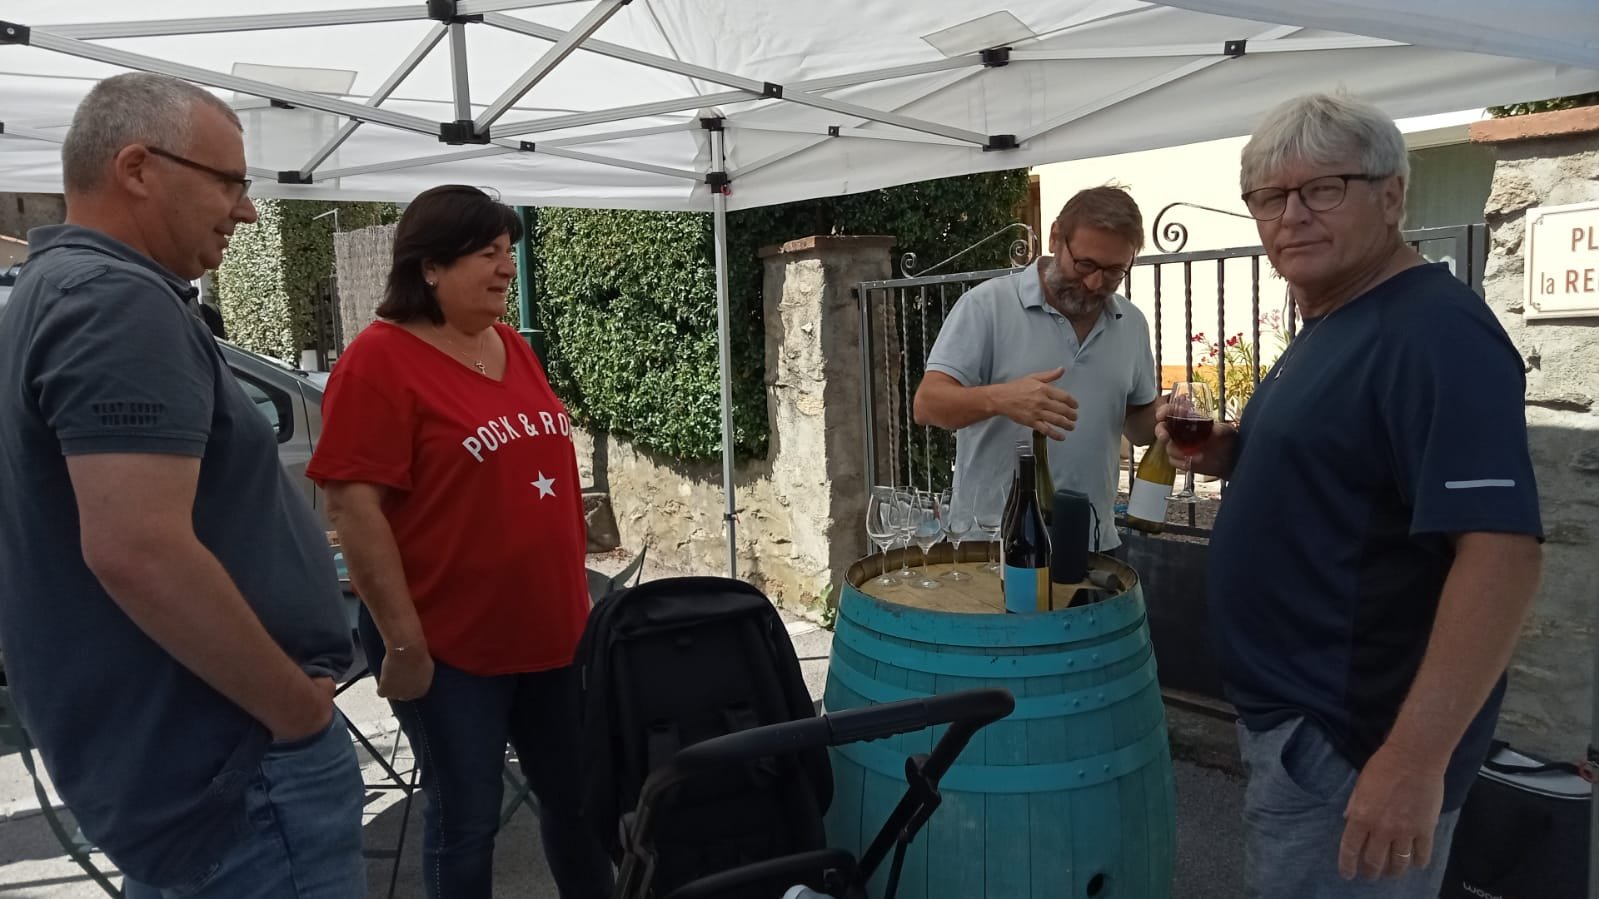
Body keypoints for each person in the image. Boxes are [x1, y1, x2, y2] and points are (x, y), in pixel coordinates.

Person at [1161, 93, 1543, 897]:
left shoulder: (1435, 332)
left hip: (1353, 744)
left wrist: (1412, 759)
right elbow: (1346, 476)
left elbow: (1500, 553)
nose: (1290, 216)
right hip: (1302, 733)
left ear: (1391, 195)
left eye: (1322, 188)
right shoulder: (1336, 319)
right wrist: (1229, 450)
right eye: (1269, 197)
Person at [0, 73, 363, 897]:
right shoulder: (114, 302)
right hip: (236, 771)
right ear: (137, 167)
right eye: (229, 181)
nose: (248, 210)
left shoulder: (61, 288)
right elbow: (139, 550)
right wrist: (296, 711)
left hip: (201, 769)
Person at [307, 185, 614, 899]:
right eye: (486, 253)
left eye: (508, 251)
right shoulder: (378, 362)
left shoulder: (512, 347)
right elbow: (353, 508)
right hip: (449, 645)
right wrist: (404, 643)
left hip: (552, 632)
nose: (507, 267)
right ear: (430, 266)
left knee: (579, 802)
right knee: (466, 820)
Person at [913, 186, 1159, 552]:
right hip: (993, 544)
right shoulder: (987, 306)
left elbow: (1138, 426)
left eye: (1113, 272)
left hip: (1093, 542)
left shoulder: (1131, 322)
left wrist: (1169, 420)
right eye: (1085, 264)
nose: (1095, 283)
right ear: (1056, 237)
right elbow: (927, 405)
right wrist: (1000, 399)